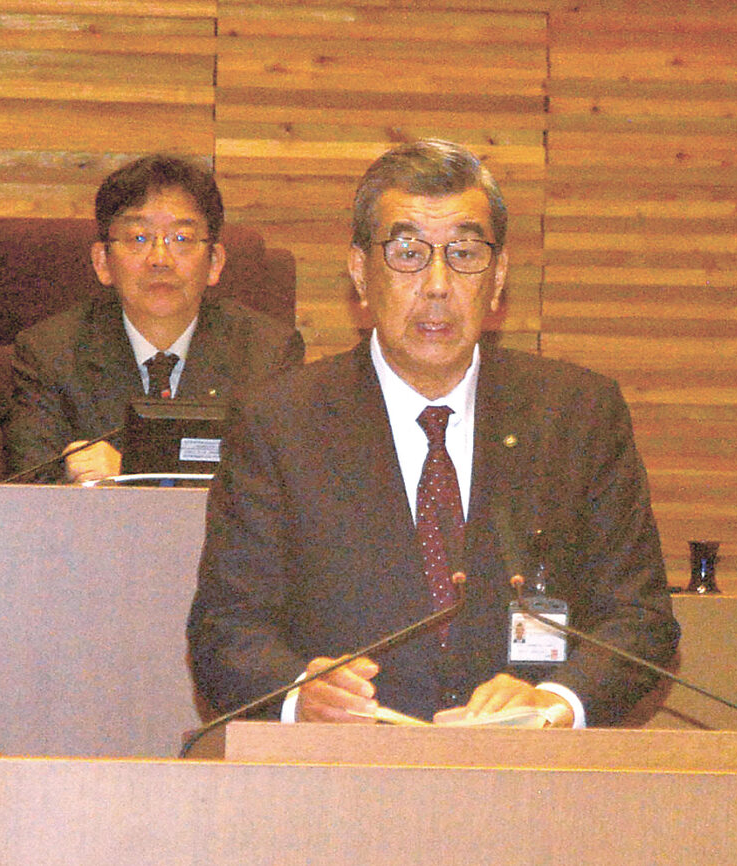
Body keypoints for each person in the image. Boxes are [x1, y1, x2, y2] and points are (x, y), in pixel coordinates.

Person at [187, 139, 679, 727]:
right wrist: (300, 694)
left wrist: (557, 701)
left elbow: (640, 622)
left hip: (529, 772)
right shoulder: (280, 423)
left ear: (498, 276)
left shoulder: (577, 416)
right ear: (360, 273)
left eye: (464, 253)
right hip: (344, 770)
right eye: (408, 254)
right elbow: (226, 631)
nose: (438, 284)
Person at [4, 154, 305, 484]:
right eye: (139, 238)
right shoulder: (50, 354)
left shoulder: (267, 355)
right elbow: (27, 489)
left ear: (215, 262)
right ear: (102, 262)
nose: (160, 259)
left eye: (181, 239)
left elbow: (283, 487)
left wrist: (131, 475)